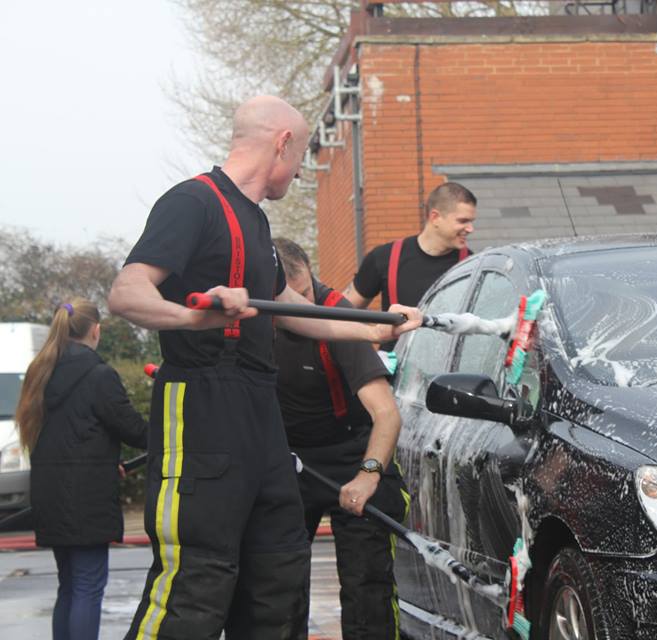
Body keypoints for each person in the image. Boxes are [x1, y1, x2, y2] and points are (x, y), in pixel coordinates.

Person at [107, 95, 421, 640]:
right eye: (299, 157)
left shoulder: (257, 225)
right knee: (198, 578)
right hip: (202, 404)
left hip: (261, 415)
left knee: (277, 571)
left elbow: (297, 314)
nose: (299, 172)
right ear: (283, 143)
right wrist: (192, 316)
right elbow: (126, 293)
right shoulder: (192, 203)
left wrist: (377, 327)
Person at [273, 237, 408, 640]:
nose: (300, 309)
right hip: (288, 460)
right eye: (287, 302)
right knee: (276, 590)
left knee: (368, 589)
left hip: (354, 451)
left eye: (305, 295)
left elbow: (386, 414)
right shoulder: (254, 319)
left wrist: (369, 474)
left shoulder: (338, 317)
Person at [15, 298, 148, 640]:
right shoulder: (99, 375)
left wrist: (106, 460)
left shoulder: (40, 371)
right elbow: (132, 429)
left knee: (69, 586)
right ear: (96, 330)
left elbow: (66, 434)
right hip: (88, 497)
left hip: (51, 493)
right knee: (89, 586)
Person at [343, 182, 477, 349]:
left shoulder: (472, 265)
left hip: (452, 370)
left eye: (471, 221)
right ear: (435, 217)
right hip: (396, 370)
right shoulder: (384, 257)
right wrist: (371, 338)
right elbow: (342, 313)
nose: (470, 228)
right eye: (463, 221)